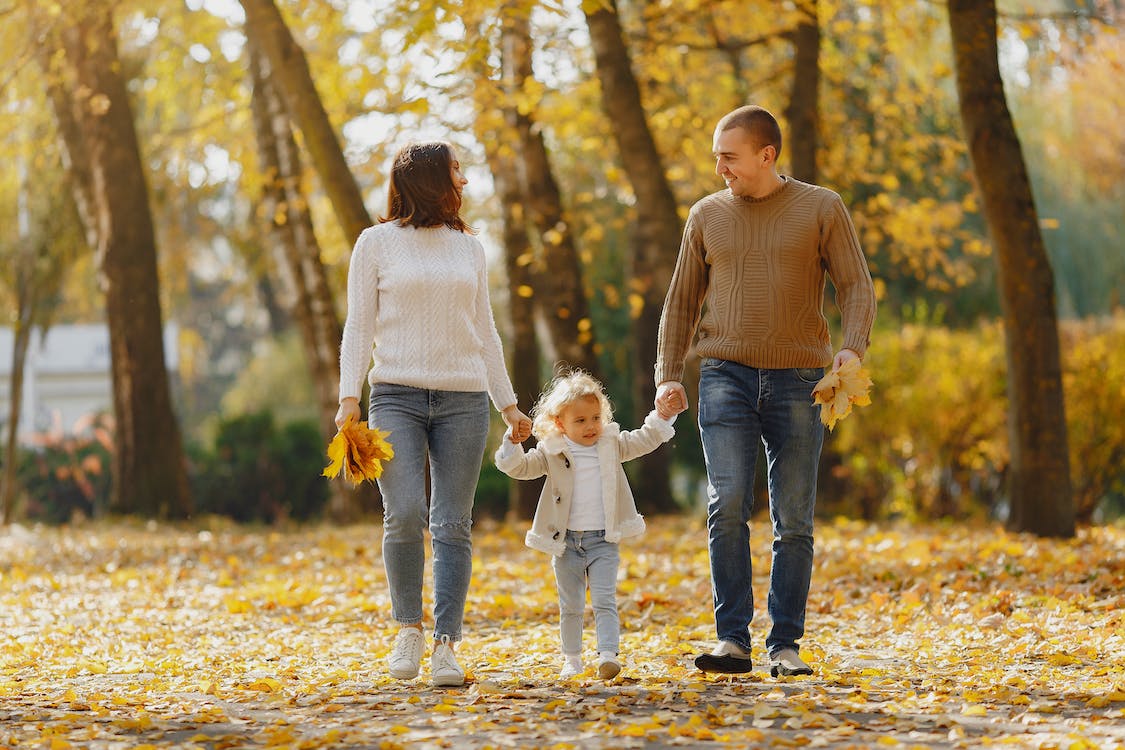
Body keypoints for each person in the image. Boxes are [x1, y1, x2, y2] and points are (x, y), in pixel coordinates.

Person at [654, 105, 876, 677]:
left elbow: (856, 286)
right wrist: (668, 374)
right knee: (725, 502)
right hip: (724, 373)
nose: (720, 167)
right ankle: (732, 640)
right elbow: (681, 302)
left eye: (728, 156)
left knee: (793, 516)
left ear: (766, 154)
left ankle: (784, 644)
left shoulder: (822, 207)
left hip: (800, 380)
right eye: (716, 157)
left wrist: (852, 346)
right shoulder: (705, 215)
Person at [335, 141, 532, 688]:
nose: (463, 180)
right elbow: (358, 325)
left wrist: (509, 404)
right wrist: (349, 397)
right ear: (428, 180)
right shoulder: (375, 244)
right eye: (455, 171)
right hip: (394, 394)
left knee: (452, 523)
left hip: (463, 401)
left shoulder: (469, 248)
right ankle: (408, 628)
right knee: (403, 514)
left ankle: (447, 643)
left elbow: (485, 329)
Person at [494, 370, 679, 680]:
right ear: (559, 423)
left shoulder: (612, 444)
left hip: (603, 541)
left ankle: (608, 655)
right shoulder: (551, 451)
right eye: (580, 421)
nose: (591, 426)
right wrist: (511, 444)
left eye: (595, 417)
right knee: (571, 605)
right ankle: (572, 659)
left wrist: (662, 415)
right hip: (565, 543)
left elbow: (645, 439)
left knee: (605, 599)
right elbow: (520, 468)